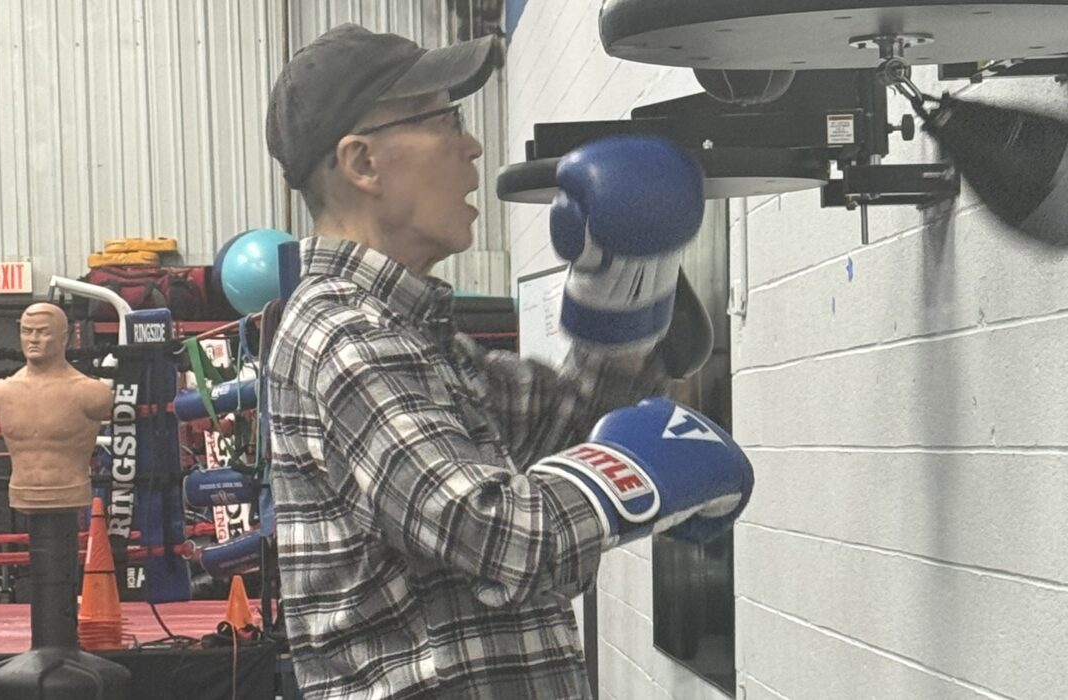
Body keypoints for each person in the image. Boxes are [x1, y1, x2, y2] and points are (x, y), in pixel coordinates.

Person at [264, 22, 752, 700]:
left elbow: (568, 420)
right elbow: (498, 533)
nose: (472, 144)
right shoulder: (348, 335)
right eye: (445, 119)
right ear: (362, 164)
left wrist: (622, 291)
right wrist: (638, 479)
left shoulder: (413, 336)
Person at [0, 303, 112, 512]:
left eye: (43, 332)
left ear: (64, 338)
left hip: (70, 491)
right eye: (27, 331)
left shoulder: (91, 393)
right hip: (20, 492)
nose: (33, 339)